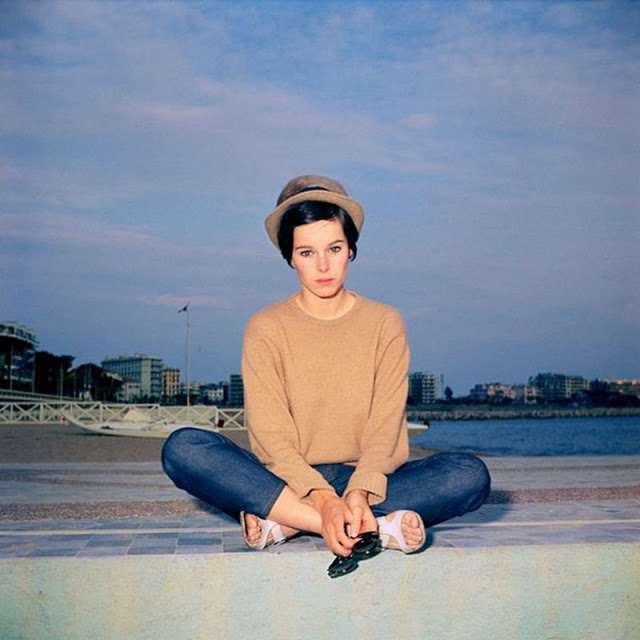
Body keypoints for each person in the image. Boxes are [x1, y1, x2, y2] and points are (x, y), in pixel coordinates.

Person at [162, 175, 490, 569]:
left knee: (469, 475)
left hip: (366, 482)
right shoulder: (266, 327)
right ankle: (363, 527)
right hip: (288, 480)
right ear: (290, 257)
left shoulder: (384, 322)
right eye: (306, 252)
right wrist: (323, 502)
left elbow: (385, 429)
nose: (322, 266)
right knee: (184, 449)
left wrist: (357, 493)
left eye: (334, 248)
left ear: (351, 248)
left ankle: (286, 522)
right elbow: (271, 438)